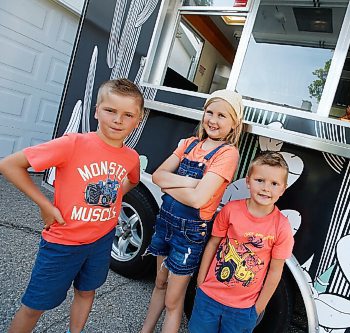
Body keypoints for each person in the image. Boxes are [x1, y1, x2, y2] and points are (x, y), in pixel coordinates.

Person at [0, 78, 144, 333]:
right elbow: (10, 165)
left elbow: (132, 180)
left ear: (138, 119)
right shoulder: (73, 144)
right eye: (110, 110)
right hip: (62, 242)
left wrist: (113, 198)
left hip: (101, 241)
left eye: (128, 114)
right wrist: (46, 205)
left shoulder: (130, 157)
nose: (118, 120)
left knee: (87, 292)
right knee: (34, 306)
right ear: (96, 109)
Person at [140, 89, 244, 333]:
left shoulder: (227, 154)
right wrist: (193, 182)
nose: (213, 120)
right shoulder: (189, 144)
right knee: (159, 283)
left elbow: (198, 200)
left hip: (190, 234)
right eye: (210, 112)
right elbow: (157, 176)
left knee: (173, 301)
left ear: (234, 123)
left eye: (222, 116)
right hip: (165, 224)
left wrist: (172, 182)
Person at [188, 151, 295, 333]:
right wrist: (200, 281)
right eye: (259, 180)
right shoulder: (231, 210)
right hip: (209, 297)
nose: (265, 188)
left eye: (274, 183)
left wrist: (258, 308)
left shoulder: (282, 227)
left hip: (243, 309)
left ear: (283, 189)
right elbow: (213, 244)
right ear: (248, 181)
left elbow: (275, 271)